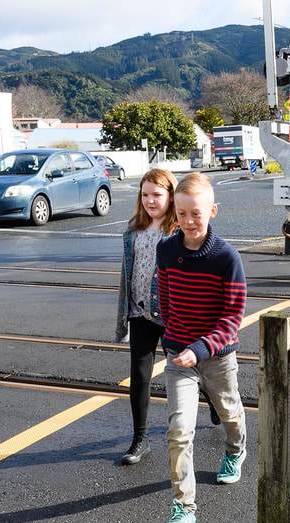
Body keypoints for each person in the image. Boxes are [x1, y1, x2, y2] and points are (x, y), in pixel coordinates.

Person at [155, 173, 247, 523]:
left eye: (196, 213)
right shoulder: (166, 250)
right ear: (173, 213)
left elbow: (232, 319)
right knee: (179, 432)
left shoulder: (227, 257)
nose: (189, 221)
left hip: (217, 357)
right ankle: (184, 510)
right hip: (179, 357)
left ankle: (235, 450)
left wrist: (201, 349)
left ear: (212, 211)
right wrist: (174, 342)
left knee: (229, 411)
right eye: (181, 213)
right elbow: (165, 299)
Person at [115, 168, 178, 465]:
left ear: (171, 196)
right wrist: (122, 318)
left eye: (157, 195)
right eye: (145, 195)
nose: (150, 201)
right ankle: (140, 438)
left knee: (184, 369)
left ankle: (213, 403)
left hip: (172, 314)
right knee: (139, 376)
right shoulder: (133, 230)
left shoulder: (178, 231)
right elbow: (125, 277)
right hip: (140, 312)